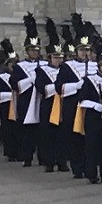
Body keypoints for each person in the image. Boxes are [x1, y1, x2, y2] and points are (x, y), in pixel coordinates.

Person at [56, 15, 95, 179]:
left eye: (87, 50)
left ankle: (90, 166)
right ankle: (77, 167)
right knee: (75, 137)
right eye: (81, 50)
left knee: (91, 138)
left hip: (91, 105)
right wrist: (75, 86)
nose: (85, 53)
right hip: (73, 104)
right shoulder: (67, 67)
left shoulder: (96, 66)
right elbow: (59, 87)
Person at [78, 42, 102, 185]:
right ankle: (92, 174)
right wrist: (95, 105)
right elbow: (81, 100)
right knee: (92, 146)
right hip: (93, 117)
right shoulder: (89, 80)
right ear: (99, 66)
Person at [10, 14, 45, 167]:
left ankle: (43, 157)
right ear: (27, 51)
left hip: (42, 99)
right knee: (27, 130)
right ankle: (27, 157)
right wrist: (30, 80)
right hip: (26, 100)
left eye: (36, 50)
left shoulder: (44, 65)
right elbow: (14, 85)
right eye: (31, 50)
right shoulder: (20, 67)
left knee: (42, 130)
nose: (34, 53)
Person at [34, 19, 68, 173]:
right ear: (50, 58)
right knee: (48, 135)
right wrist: (59, 87)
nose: (59, 60)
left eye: (61, 57)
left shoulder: (66, 70)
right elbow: (41, 88)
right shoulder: (42, 71)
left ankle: (62, 161)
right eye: (55, 57)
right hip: (48, 105)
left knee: (62, 135)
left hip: (63, 104)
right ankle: (49, 162)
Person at [0, 39, 20, 161]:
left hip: (18, 105)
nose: (13, 66)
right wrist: (12, 95)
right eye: (11, 64)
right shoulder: (0, 78)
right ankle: (10, 152)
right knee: (8, 130)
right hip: (7, 105)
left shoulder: (21, 76)